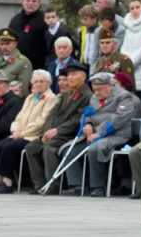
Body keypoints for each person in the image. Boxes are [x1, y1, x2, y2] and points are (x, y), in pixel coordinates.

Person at [24, 63, 93, 194]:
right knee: (31, 147)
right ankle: (39, 184)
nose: (70, 78)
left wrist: (57, 130)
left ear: (83, 77)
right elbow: (51, 115)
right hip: (55, 134)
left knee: (49, 148)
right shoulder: (65, 95)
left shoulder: (87, 96)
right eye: (69, 75)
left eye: (74, 74)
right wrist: (48, 131)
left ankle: (53, 185)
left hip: (70, 135)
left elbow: (78, 120)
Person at [62, 72, 135, 197]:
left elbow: (120, 118)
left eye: (99, 89)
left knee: (94, 149)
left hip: (116, 135)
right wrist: (87, 124)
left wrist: (100, 132)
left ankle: (98, 187)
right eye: (94, 90)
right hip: (93, 134)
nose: (96, 93)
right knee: (69, 149)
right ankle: (77, 185)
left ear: (109, 85)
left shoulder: (124, 96)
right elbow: (88, 114)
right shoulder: (94, 98)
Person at [0, 70, 58, 194]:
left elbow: (42, 121)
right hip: (19, 133)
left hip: (33, 136)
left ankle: (8, 182)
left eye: (41, 81)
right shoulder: (30, 97)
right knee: (1, 144)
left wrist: (23, 133)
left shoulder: (51, 98)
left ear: (48, 83)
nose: (38, 84)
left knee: (9, 147)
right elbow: (19, 117)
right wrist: (15, 129)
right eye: (35, 82)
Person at [121, 0, 141, 99]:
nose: (135, 10)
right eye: (132, 8)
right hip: (128, 66)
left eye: (137, 7)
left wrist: (131, 61)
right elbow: (125, 45)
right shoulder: (128, 25)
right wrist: (124, 59)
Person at [8, 0, 48, 70]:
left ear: (39, 3)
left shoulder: (44, 19)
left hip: (37, 67)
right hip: (16, 65)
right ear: (22, 2)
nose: (30, 3)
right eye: (28, 0)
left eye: (34, 1)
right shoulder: (15, 20)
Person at [0, 29, 33, 96]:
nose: (4, 47)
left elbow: (23, 88)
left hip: (14, 101)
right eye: (2, 44)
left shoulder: (23, 61)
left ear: (15, 44)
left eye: (7, 44)